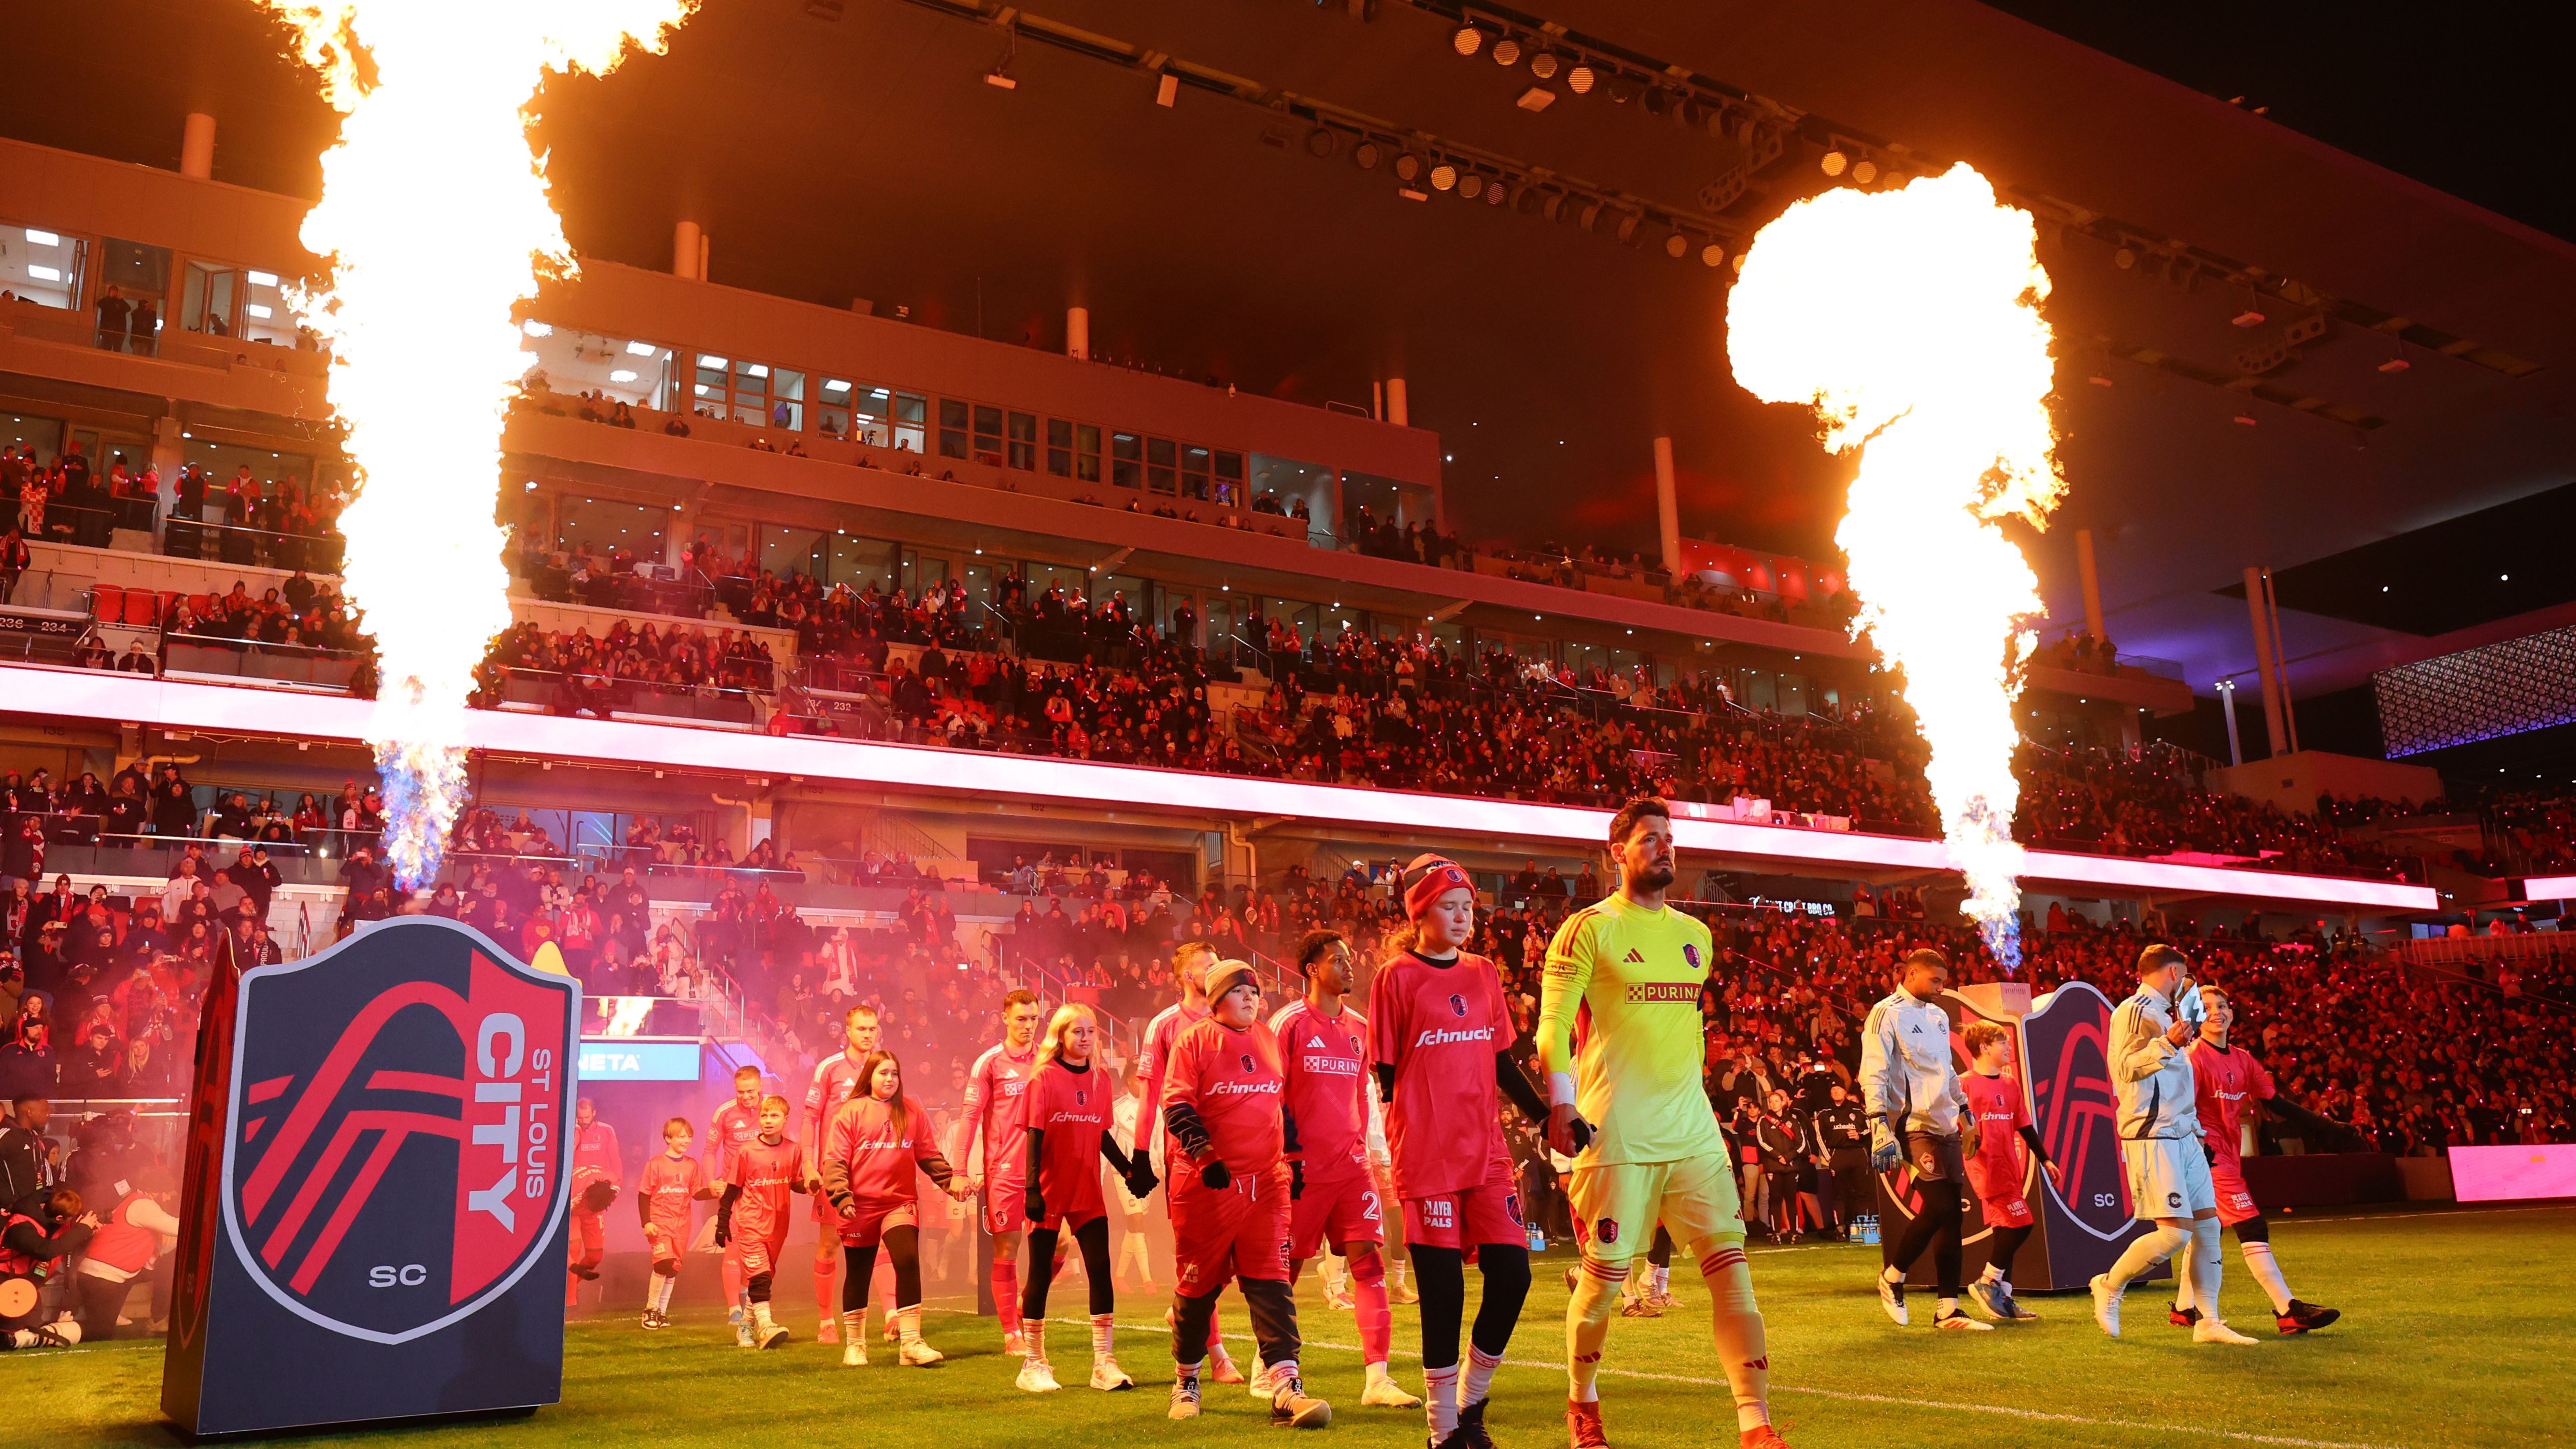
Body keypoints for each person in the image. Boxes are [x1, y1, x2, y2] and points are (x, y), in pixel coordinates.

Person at [1540, 801, 1787, 1449]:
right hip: (1616, 1135)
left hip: (1694, 1135)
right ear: (1616, 852)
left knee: (1733, 1273)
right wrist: (1562, 1102)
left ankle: (1754, 1424)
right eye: (1650, 839)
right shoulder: (1587, 928)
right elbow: (1554, 1028)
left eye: (1670, 839)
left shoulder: (1696, 936)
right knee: (1604, 1286)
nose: (1664, 848)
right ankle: (1582, 1401)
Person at [1372, 855, 1548, 1449]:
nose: (1461, 917)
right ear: (1419, 913)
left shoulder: (1483, 974)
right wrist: (1395, 1146)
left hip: (1486, 1152)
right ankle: (1444, 1429)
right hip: (1426, 1156)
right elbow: (1386, 1076)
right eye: (1448, 907)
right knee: (1443, 1293)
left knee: (1513, 1275)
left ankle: (1472, 1400)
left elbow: (1500, 1062)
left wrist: (1547, 1116)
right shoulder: (1395, 977)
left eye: (1468, 907)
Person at [1160, 956, 1331, 1428]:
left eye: (1254, 991)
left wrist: (1293, 1162)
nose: (1250, 998)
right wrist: (1206, 1156)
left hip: (1266, 1184)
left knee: (1272, 1283)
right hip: (1205, 1186)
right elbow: (1175, 1104)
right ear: (1217, 1000)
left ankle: (1285, 1386)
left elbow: (1281, 1106)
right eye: (1239, 991)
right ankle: (1187, 1381)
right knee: (1197, 1291)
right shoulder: (1193, 1040)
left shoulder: (1269, 1039)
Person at [1271, 928, 1418, 1409]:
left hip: (1351, 1167)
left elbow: (1361, 1094)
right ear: (1312, 969)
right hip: (1300, 1168)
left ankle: (1377, 1379)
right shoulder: (1288, 1023)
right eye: (1338, 960)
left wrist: (1365, 1148)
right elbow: (1273, 1094)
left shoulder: (1359, 1026)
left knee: (1369, 1263)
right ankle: (1267, 1364)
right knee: (1285, 1270)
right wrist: (1285, 1156)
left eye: (1350, 959)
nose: (1349, 966)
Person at [2089, 944, 2257, 1345]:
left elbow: (2176, 1079)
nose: (2186, 981)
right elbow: (2123, 1069)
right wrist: (2166, 1043)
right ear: (2172, 971)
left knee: (2208, 1226)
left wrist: (2194, 1125)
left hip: (2183, 1132)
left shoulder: (2171, 1013)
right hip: (2151, 1133)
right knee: (2174, 1235)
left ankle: (2208, 1322)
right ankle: (2109, 1285)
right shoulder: (2132, 1010)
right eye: (2183, 974)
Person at [2170, 986, 2343, 1335]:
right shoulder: (2192, 1058)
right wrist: (2198, 1149)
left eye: (2222, 1005)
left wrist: (2325, 1126)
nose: (2216, 1011)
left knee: (2206, 1231)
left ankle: (2183, 1308)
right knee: (2251, 1225)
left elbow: (2275, 1102)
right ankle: (2287, 1310)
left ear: (2231, 1013)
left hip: (2229, 1155)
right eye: (2206, 1008)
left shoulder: (2243, 1059)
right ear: (2195, 1018)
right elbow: (2177, 1108)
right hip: (2205, 1156)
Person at [1016, 1003, 1155, 1393]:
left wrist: (1129, 1171)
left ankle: (1103, 1363)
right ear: (1060, 1036)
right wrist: (1031, 1189)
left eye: (1091, 1031)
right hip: (1048, 1189)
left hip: (1087, 1188)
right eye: (1077, 1032)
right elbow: (1033, 1135)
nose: (1085, 1038)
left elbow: (1102, 1134)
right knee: (1040, 1274)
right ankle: (1033, 1363)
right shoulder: (1043, 1077)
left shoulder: (1100, 1079)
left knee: (1099, 1268)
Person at [1132, 938, 1245, 1384]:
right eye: (1208, 965)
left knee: (1238, 1257)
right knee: (1201, 1256)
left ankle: (1185, 1309)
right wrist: (1140, 1155)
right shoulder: (1164, 1025)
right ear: (1186, 976)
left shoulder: (1235, 1017)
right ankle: (1216, 1355)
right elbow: (1148, 1097)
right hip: (1188, 1157)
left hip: (1239, 1153)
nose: (1217, 971)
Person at [1858, 947, 1986, 1332]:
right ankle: (1893, 1277)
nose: (1940, 988)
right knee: (1939, 1205)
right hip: (1910, 1125)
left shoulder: (1938, 1015)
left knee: (1951, 1214)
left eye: (1943, 982)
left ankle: (1948, 1309)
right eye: (1935, 980)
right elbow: (1874, 1071)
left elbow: (1947, 1068)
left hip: (1944, 1122)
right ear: (1910, 973)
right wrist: (1878, 1125)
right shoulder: (1885, 1013)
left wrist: (1965, 1113)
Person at [820, 1048, 970, 1367]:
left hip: (899, 1202)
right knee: (858, 1273)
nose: (890, 1079)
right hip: (858, 1204)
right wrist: (841, 1197)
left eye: (894, 1073)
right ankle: (856, 1345)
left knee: (907, 1259)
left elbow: (928, 1154)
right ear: (870, 1076)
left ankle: (912, 1344)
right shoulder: (852, 1112)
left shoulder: (911, 1111)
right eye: (883, 1073)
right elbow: (834, 1161)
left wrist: (951, 1182)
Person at [950, 988, 1043, 1357]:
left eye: (1034, 1019)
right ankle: (1011, 1333)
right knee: (1007, 1248)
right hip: (1004, 1172)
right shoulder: (988, 1063)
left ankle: (1022, 1305)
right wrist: (960, 1170)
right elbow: (970, 1116)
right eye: (1021, 1019)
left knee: (1062, 1243)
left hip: (1043, 1171)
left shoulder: (1046, 1059)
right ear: (1005, 1018)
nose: (1028, 1026)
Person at [1957, 1021, 2058, 1322]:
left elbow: (2023, 1123)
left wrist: (2045, 1159)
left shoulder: (2010, 1083)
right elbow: (1955, 1127)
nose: (2009, 1048)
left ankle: (2004, 1300)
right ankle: (1988, 1281)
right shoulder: (1964, 1083)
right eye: (2003, 1043)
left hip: (2009, 1165)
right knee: (2022, 1224)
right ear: (1984, 1047)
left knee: (2005, 1230)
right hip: (1985, 1167)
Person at [803, 1004, 884, 1343]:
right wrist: (808, 1164)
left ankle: (893, 1316)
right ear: (848, 1031)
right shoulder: (829, 1068)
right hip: (836, 1171)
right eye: (861, 1029)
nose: (867, 1035)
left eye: (872, 1029)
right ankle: (826, 1321)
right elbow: (810, 1118)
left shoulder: (883, 1067)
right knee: (830, 1243)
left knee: (882, 1241)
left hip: (875, 1170)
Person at [715, 1093, 806, 1349]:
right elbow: (732, 1188)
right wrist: (722, 1222)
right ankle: (766, 1327)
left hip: (778, 1226)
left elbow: (796, 1183)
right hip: (751, 1223)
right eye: (764, 1115)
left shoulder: (793, 1149)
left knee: (760, 1280)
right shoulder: (747, 1151)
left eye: (774, 1115)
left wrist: (812, 1184)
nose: (767, 1120)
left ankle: (746, 1325)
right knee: (761, 1277)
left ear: (786, 1120)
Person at [72, 1168, 179, 1339]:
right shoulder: (143, 1205)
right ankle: (50, 1332)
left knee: (101, 1329)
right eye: (166, 1193)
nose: (168, 1198)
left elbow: (165, 1245)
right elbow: (176, 1227)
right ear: (155, 1191)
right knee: (98, 1332)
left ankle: (108, 1315)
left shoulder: (137, 1203)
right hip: (103, 1277)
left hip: (106, 1276)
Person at [637, 1116, 717, 1329]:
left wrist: (717, 1191)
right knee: (662, 1263)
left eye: (689, 1137)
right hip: (660, 1222)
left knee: (673, 1268)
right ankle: (650, 1310)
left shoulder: (691, 1165)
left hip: (682, 1224)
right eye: (682, 1136)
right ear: (668, 1138)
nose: (687, 1140)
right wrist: (647, 1222)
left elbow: (697, 1193)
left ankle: (662, 1312)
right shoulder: (655, 1164)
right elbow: (644, 1195)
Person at [565, 1097, 621, 1309]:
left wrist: (608, 1196)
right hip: (574, 1200)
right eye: (579, 1118)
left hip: (595, 1195)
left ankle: (569, 1285)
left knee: (595, 1256)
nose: (583, 1121)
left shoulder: (606, 1131)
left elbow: (616, 1165)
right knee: (572, 1251)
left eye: (586, 1117)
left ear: (595, 1113)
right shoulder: (572, 1130)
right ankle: (571, 1305)